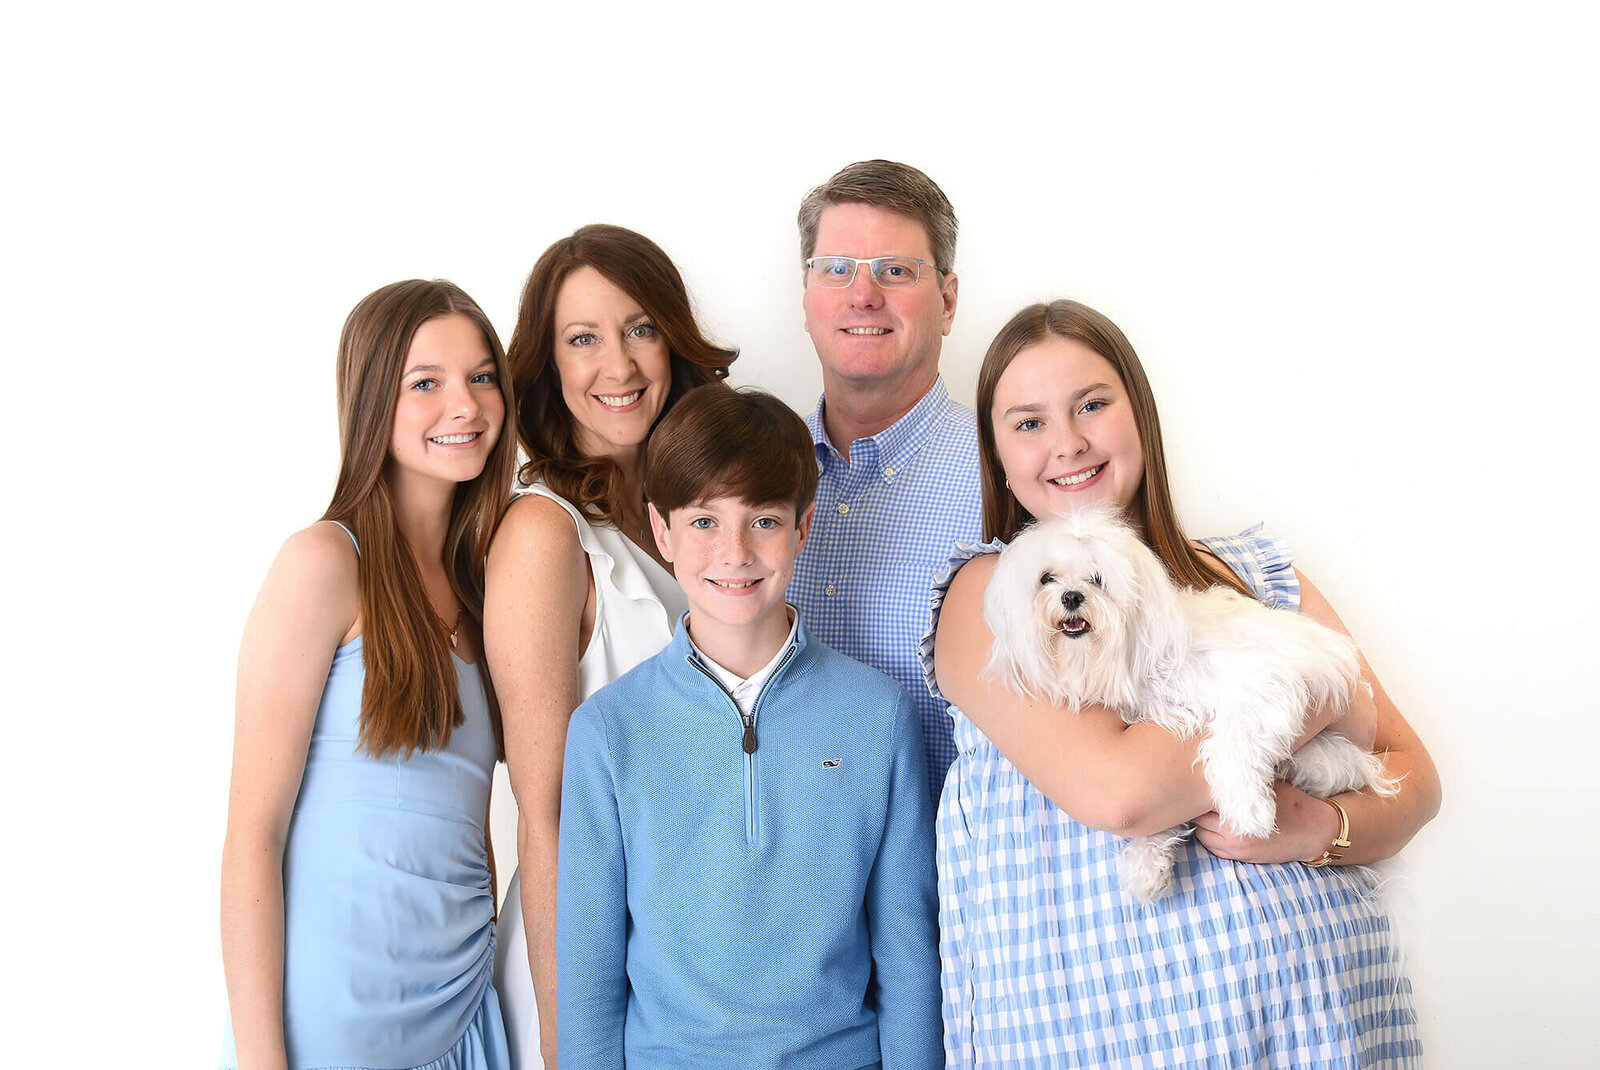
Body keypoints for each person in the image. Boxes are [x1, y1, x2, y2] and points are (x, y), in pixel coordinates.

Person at [929, 299, 1440, 1067]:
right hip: (1106, 1036)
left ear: (1141, 418)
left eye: (1093, 405)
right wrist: (1310, 696)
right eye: (1028, 422)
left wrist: (1318, 832)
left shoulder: (1259, 572)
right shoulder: (993, 596)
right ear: (997, 454)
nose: (1067, 443)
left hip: (1322, 1024)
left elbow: (1413, 777)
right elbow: (1122, 794)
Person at [556, 386, 942, 1069]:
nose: (734, 553)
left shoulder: (879, 717)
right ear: (662, 531)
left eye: (762, 520)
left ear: (804, 528)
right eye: (704, 521)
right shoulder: (606, 733)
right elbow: (588, 976)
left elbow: (908, 954)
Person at [219, 279, 516, 1070]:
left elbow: (471, 814)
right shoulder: (323, 563)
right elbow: (253, 833)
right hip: (334, 1019)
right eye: (427, 383)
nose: (465, 404)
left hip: (463, 1008)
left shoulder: (490, 587)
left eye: (482, 375)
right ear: (371, 399)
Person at [485, 225, 736, 1069]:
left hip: (693, 954)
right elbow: (545, 808)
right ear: (549, 367)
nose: (619, 366)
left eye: (640, 329)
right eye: (583, 339)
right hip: (588, 961)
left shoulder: (698, 528)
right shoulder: (542, 535)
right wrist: (568, 1038)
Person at [789, 159, 982, 804]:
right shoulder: (751, 479)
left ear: (948, 300)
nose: (862, 295)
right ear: (806, 297)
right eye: (837, 268)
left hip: (961, 892)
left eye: (895, 272)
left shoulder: (1012, 472)